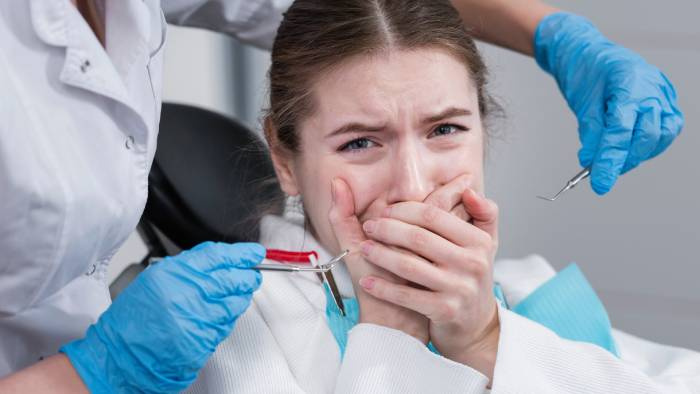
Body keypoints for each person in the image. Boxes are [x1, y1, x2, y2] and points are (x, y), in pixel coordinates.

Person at [0, 0, 685, 392]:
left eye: (445, 129)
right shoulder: (231, 345)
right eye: (361, 143)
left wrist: (485, 339)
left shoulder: (525, 293)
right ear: (284, 159)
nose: (414, 187)